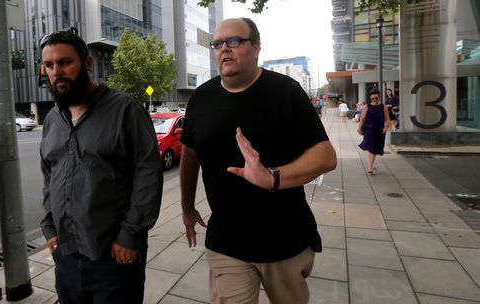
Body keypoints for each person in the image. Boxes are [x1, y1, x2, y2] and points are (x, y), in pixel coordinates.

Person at [180, 18, 337, 304]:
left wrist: (271, 177)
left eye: (234, 41)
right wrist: (187, 208)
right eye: (217, 44)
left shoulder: (285, 91)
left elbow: (325, 156)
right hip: (226, 241)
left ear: (256, 47)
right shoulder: (201, 98)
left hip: (285, 240)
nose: (224, 49)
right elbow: (190, 156)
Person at [39, 27, 163, 304]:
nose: (56, 71)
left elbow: (148, 174)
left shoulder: (126, 109)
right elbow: (49, 175)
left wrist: (131, 235)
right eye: (49, 65)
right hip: (67, 256)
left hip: (114, 256)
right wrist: (49, 226)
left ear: (87, 63)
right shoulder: (52, 120)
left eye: (64, 62)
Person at [357, 89, 391, 174]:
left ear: (379, 97)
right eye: (373, 99)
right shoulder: (367, 107)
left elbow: (387, 119)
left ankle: (371, 164)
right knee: (370, 147)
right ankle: (370, 167)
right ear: (370, 98)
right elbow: (362, 119)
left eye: (376, 98)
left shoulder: (384, 107)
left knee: (375, 148)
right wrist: (359, 128)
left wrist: (386, 127)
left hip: (380, 130)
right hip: (369, 130)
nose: (375, 100)